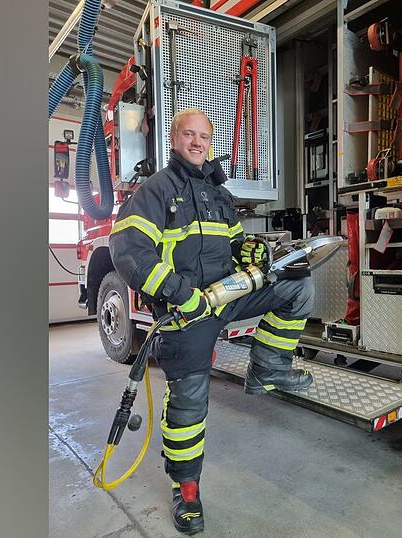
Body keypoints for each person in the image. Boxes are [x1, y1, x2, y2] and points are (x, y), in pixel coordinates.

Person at [109, 108, 314, 535]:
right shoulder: (155, 190)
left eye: (204, 136)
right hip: (186, 309)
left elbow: (236, 245)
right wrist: (181, 296)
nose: (197, 142)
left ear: (211, 141)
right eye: (189, 134)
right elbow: (129, 252)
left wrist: (254, 256)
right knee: (188, 404)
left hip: (227, 297)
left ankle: (267, 369)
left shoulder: (218, 195)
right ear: (174, 138)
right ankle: (186, 493)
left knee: (298, 287)